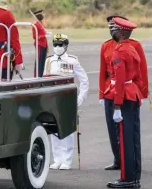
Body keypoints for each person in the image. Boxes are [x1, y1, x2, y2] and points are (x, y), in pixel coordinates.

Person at [99, 15, 149, 173]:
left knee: (128, 130)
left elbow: (141, 70)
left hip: (126, 92)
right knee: (112, 130)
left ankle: (130, 164)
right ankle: (118, 160)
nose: (111, 30)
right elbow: (103, 72)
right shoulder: (106, 46)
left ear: (121, 29)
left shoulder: (133, 45)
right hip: (110, 90)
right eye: (110, 27)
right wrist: (102, 94)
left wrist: (142, 92)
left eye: (114, 27)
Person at [43, 34, 89, 170]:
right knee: (53, 128)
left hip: (67, 98)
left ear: (66, 46)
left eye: (60, 45)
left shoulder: (72, 61)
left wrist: (80, 98)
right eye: (55, 45)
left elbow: (84, 80)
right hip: (52, 99)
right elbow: (44, 80)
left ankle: (67, 160)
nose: (57, 48)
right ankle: (57, 159)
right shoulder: (49, 60)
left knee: (67, 130)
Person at [31, 9, 48, 77]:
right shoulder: (35, 25)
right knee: (38, 61)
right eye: (41, 14)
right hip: (39, 45)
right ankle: (36, 75)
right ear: (38, 16)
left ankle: (41, 74)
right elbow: (35, 37)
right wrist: (44, 36)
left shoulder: (41, 24)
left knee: (43, 61)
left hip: (44, 44)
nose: (43, 15)